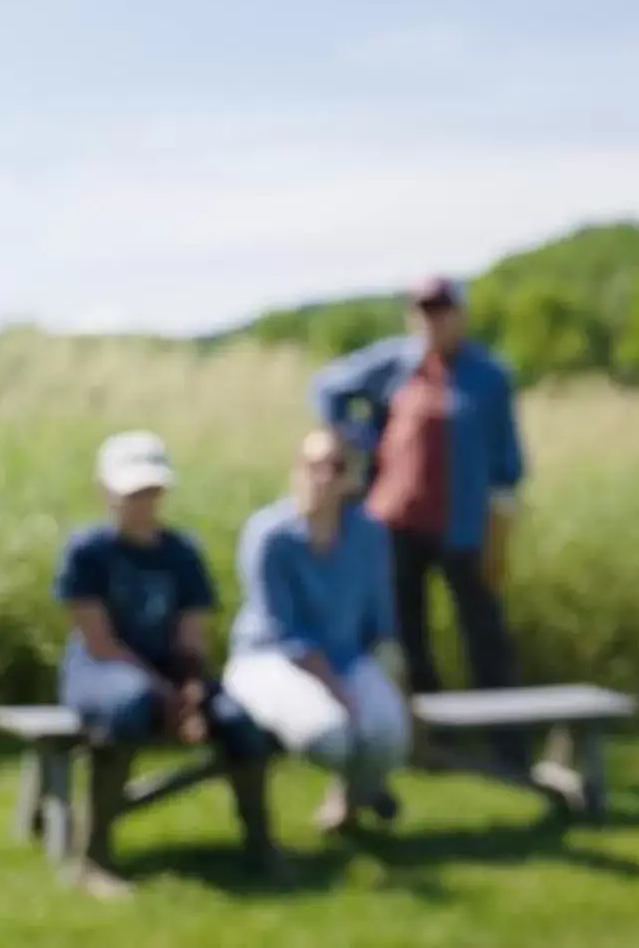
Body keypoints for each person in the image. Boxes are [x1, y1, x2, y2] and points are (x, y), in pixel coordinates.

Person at [51, 430, 278, 896]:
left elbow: (191, 640)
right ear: (106, 492)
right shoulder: (87, 553)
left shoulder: (182, 553)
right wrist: (167, 694)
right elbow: (100, 643)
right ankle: (93, 857)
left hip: (170, 674)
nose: (143, 502)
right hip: (102, 673)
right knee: (127, 706)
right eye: (132, 492)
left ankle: (261, 846)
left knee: (239, 721)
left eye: (151, 491)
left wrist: (192, 692)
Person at [310, 275, 525, 729]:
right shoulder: (394, 365)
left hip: (465, 525)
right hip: (395, 523)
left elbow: (508, 460)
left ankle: (507, 735)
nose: (433, 321)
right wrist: (362, 441)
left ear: (461, 316)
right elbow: (328, 389)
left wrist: (501, 527)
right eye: (424, 311)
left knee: (484, 631)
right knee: (406, 631)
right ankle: (426, 732)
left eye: (442, 310)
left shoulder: (489, 377)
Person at [227, 426, 413, 836]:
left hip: (346, 657)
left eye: (336, 466)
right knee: (328, 735)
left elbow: (381, 621)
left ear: (353, 478)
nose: (323, 476)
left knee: (388, 733)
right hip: (268, 660)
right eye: (313, 466)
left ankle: (353, 799)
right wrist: (340, 693)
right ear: (296, 470)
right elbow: (283, 631)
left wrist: (391, 682)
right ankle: (365, 790)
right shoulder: (269, 536)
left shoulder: (370, 534)